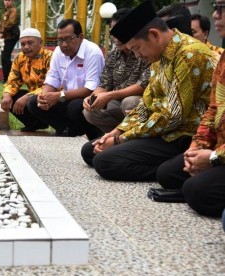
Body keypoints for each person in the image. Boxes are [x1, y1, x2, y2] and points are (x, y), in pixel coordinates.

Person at [80, 0, 216, 182]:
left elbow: (172, 116)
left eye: (136, 48)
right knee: (90, 151)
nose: (138, 56)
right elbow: (146, 104)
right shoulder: (159, 57)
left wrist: (122, 140)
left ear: (153, 35)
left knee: (105, 162)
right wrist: (116, 132)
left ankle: (175, 168)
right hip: (163, 132)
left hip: (182, 135)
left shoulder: (189, 54)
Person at [156, 2, 225, 219]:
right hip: (215, 144)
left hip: (186, 134)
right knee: (167, 173)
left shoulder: (190, 54)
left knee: (196, 191)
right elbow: (213, 110)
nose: (215, 14)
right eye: (215, 7)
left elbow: (174, 114)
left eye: (222, 8)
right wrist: (197, 149)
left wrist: (214, 157)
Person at [27, 19, 105, 139]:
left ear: (80, 37)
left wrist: (59, 96)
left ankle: (92, 134)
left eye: (69, 39)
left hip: (87, 100)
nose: (64, 44)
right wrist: (44, 97)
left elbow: (91, 88)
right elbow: (52, 78)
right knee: (34, 102)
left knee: (74, 106)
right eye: (60, 40)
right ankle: (66, 129)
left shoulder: (93, 52)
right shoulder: (58, 52)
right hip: (66, 98)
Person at [82, 8, 150, 133]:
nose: (116, 37)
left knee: (129, 102)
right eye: (114, 32)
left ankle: (133, 137)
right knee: (89, 111)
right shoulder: (113, 55)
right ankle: (116, 136)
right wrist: (91, 98)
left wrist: (109, 95)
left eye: (120, 31)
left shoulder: (146, 51)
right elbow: (104, 84)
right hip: (116, 103)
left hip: (142, 102)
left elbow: (143, 85)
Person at [0, 28, 52, 132]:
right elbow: (13, 81)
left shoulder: (50, 57)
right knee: (11, 96)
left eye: (30, 43)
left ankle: (56, 124)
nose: (26, 47)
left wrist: (27, 96)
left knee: (32, 99)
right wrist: (7, 94)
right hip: (34, 96)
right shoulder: (20, 58)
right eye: (23, 44)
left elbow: (54, 86)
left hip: (50, 95)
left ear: (40, 42)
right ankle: (35, 123)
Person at [0, 0, 20, 83]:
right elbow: (1, 24)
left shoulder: (14, 11)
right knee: (4, 58)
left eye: (8, 0)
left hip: (12, 36)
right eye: (5, 0)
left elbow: (10, 24)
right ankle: (7, 79)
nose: (6, 2)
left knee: (5, 57)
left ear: (12, 1)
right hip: (6, 37)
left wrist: (1, 34)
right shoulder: (5, 13)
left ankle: (9, 79)